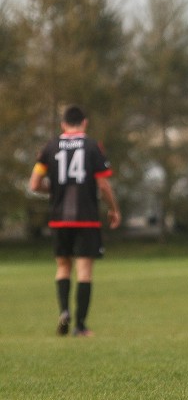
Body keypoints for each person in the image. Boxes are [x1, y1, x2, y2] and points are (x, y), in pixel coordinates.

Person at [29, 105, 121, 337]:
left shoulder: (49, 146)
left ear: (63, 124)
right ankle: (80, 325)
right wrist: (113, 209)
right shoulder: (92, 146)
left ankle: (64, 311)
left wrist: (55, 189)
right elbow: (102, 184)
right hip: (86, 218)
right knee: (84, 270)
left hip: (59, 218)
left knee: (62, 267)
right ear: (84, 123)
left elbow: (34, 184)